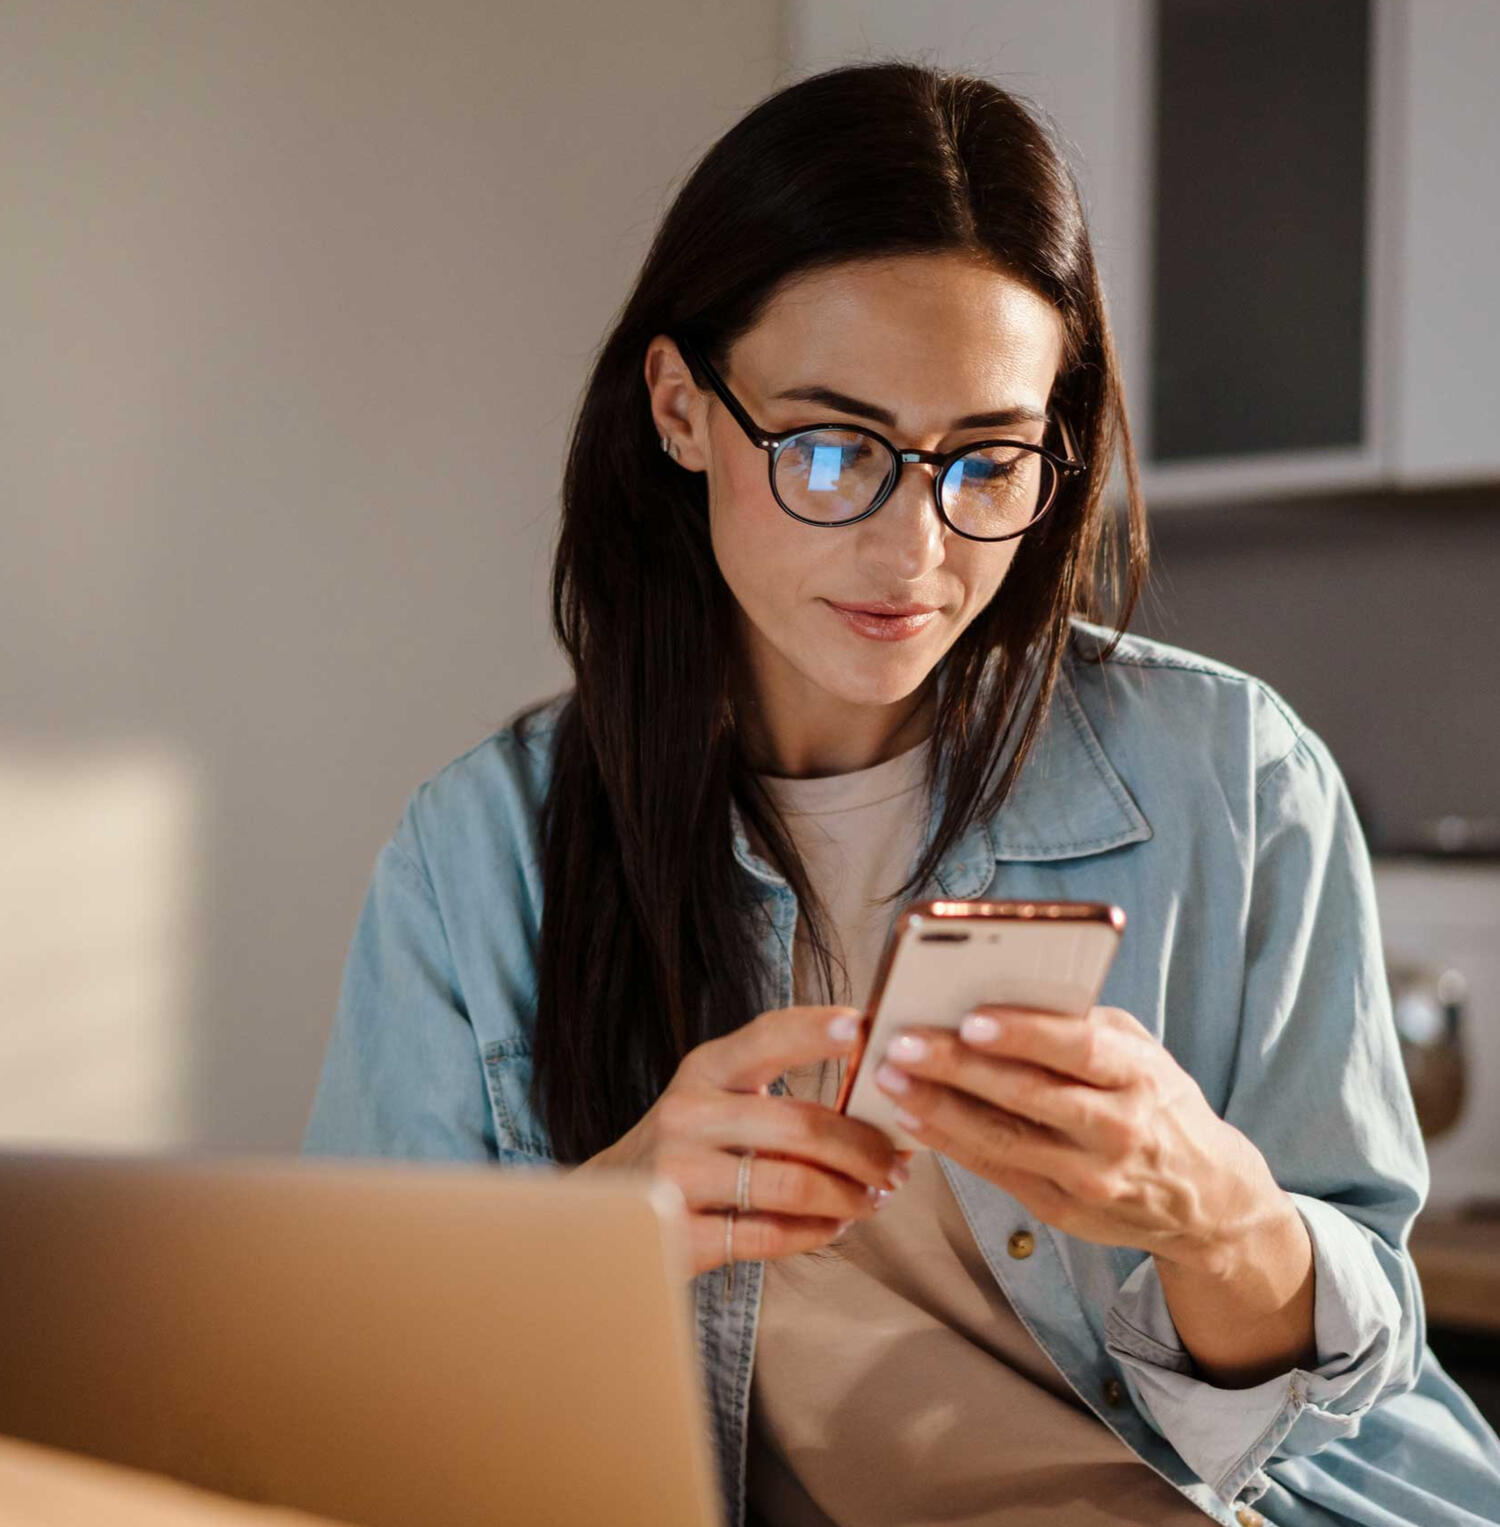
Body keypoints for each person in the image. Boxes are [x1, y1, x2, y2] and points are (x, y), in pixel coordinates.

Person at [302, 60, 1500, 1527]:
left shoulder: (1237, 779)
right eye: (831, 450)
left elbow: (1350, 1396)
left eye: (986, 462)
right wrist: (606, 1229)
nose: (915, 550)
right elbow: (356, 1400)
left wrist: (1215, 1216)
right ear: (681, 409)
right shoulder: (479, 857)